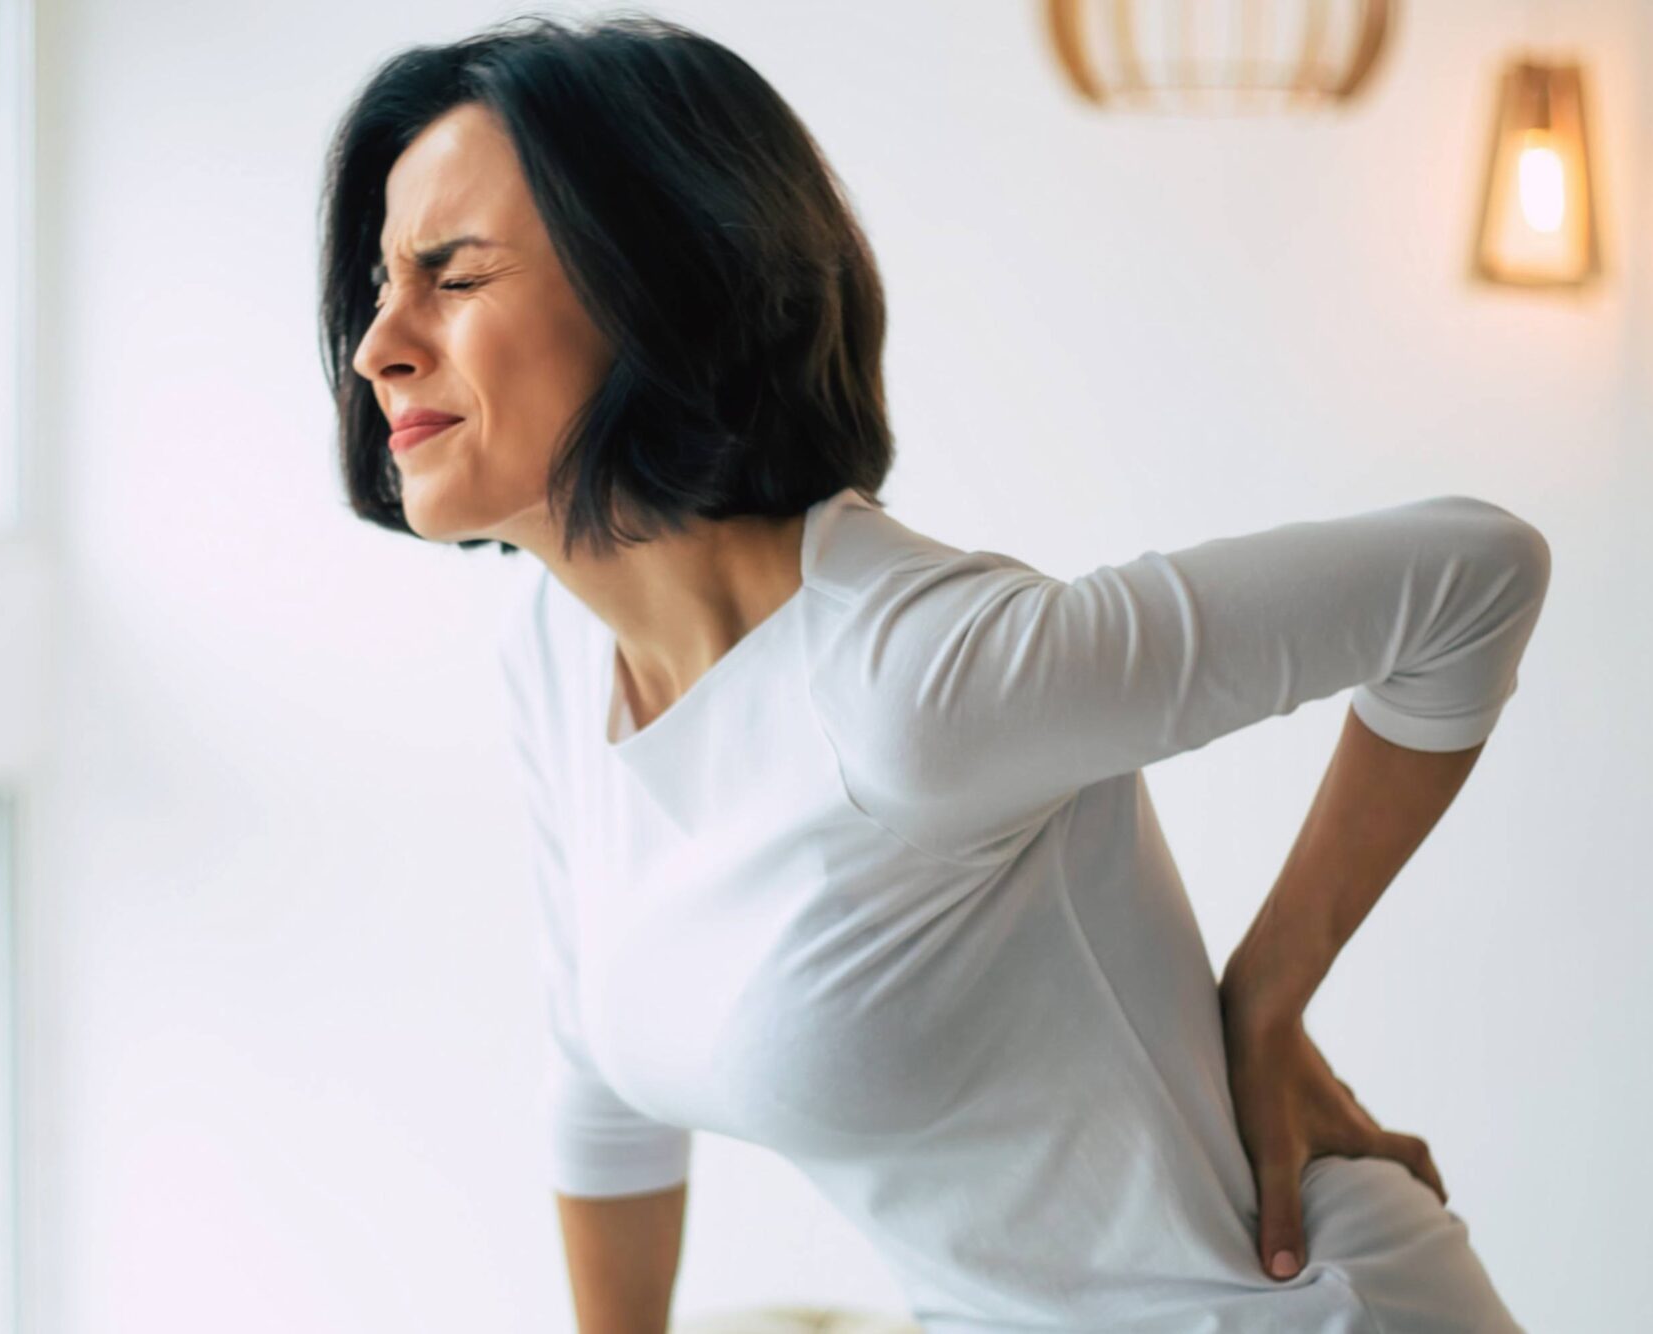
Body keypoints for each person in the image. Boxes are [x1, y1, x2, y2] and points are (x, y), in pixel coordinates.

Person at [317, 14, 1547, 1333]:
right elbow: (601, 1081)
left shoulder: (910, 681)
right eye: (381, 284)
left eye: (452, 274)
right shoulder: (561, 650)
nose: (377, 343)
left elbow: (1474, 574)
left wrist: (1269, 990)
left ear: (656, 285)